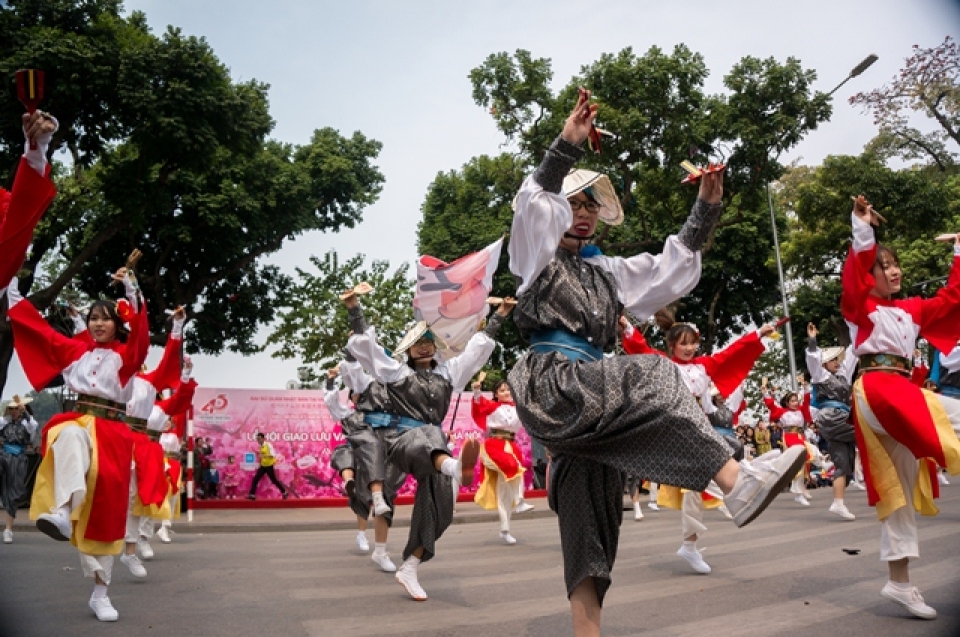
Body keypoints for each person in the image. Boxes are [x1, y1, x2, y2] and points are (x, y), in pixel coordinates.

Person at [506, 90, 806, 636]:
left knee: (592, 522)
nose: (584, 214)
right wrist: (567, 143)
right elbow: (532, 205)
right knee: (658, 372)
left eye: (592, 206)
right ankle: (737, 482)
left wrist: (707, 205)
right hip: (555, 385)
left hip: (593, 399)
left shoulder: (610, 272)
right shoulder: (535, 259)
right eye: (575, 203)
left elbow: (672, 269)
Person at [343, 289, 514, 601]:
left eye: (428, 342)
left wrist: (499, 316)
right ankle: (451, 467)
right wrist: (355, 309)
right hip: (401, 441)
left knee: (440, 510)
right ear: (408, 350)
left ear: (435, 348)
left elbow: (475, 352)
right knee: (430, 440)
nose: (424, 347)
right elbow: (368, 350)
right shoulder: (397, 372)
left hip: (433, 444)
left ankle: (410, 566)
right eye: (417, 343)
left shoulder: (448, 374)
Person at [7, 265, 148, 623]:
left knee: (103, 516)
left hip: (114, 437)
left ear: (117, 323)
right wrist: (10, 289)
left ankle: (100, 593)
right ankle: (63, 511)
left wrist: (131, 289)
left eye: (105, 319)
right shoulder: (76, 353)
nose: (99, 324)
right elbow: (39, 331)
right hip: (80, 423)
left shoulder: (127, 357)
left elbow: (142, 337)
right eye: (93, 319)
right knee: (67, 433)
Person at [843, 195, 960, 620]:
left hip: (897, 396)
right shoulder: (860, 308)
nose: (892, 271)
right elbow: (855, 271)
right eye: (882, 266)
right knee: (953, 419)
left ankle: (899, 582)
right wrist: (862, 228)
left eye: (894, 266)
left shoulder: (910, 310)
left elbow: (952, 300)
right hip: (879, 390)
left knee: (899, 494)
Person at [623, 312, 779, 575]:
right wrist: (626, 326)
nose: (689, 348)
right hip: (676, 427)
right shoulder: (662, 363)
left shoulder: (705, 365)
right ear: (672, 345)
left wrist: (758, 334)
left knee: (696, 490)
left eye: (693, 342)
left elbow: (732, 352)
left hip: (700, 425)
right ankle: (746, 485)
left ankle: (690, 544)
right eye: (683, 344)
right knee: (712, 470)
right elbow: (641, 349)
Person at [471, 377, 535, 545]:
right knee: (513, 466)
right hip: (493, 446)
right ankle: (520, 501)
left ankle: (505, 529)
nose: (506, 392)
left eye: (508, 389)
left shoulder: (518, 409)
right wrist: (477, 390)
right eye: (502, 390)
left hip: (510, 447)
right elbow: (479, 403)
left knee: (505, 493)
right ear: (496, 394)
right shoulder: (492, 406)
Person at [763, 377, 814, 506]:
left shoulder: (801, 410)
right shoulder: (782, 412)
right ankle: (798, 493)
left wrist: (806, 387)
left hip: (800, 437)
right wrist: (765, 392)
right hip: (790, 438)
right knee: (798, 464)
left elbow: (807, 401)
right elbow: (770, 405)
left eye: (796, 400)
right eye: (792, 401)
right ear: (787, 402)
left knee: (808, 458)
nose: (795, 402)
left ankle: (803, 487)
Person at [1, 395, 39, 544]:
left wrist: (26, 413)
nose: (14, 412)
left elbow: (33, 426)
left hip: (18, 461)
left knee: (13, 494)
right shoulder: (4, 422)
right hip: (3, 457)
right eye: (11, 409)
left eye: (16, 409)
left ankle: (8, 529)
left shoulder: (28, 423)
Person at [247, 433, 288, 500]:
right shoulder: (260, 446)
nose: (258, 440)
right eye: (257, 439)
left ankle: (284, 492)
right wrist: (259, 456)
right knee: (255, 479)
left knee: (274, 480)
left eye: (259, 439)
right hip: (263, 466)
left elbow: (273, 455)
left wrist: (263, 456)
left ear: (263, 438)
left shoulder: (268, 445)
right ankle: (252, 495)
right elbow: (262, 456)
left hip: (269, 466)